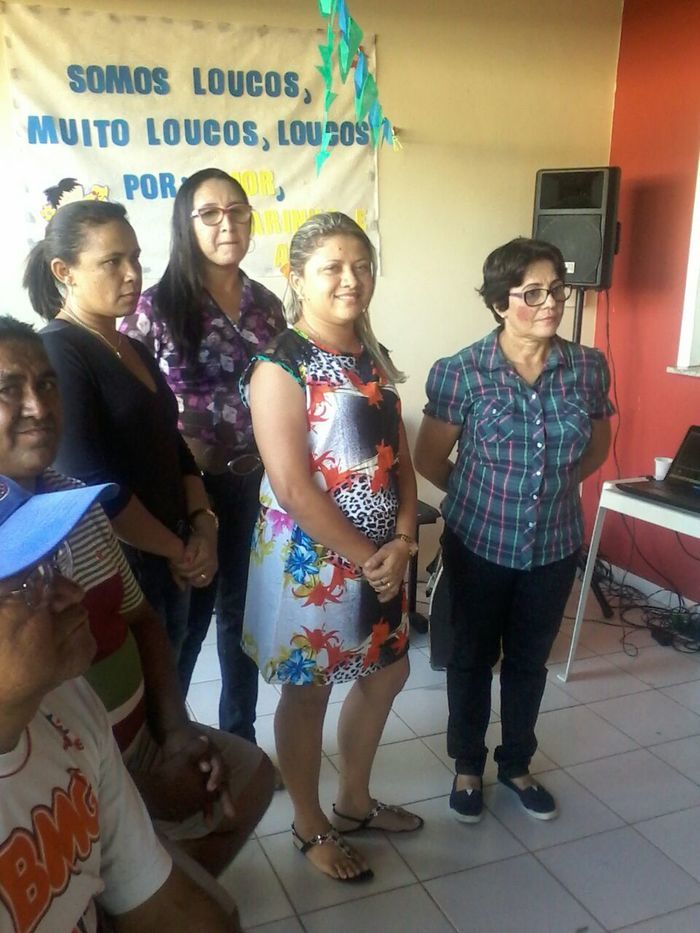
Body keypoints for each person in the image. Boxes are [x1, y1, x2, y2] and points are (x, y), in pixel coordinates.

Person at [0, 315, 273, 909]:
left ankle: (139, 886)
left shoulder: (75, 499)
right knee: (213, 909)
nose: (37, 406)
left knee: (252, 777)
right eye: (7, 390)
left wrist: (173, 732)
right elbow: (25, 738)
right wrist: (143, 793)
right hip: (71, 768)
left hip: (133, 739)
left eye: (46, 385)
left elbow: (142, 619)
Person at [242, 211, 423, 882]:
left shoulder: (370, 356)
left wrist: (404, 537)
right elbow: (293, 487)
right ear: (297, 279)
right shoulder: (279, 364)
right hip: (315, 561)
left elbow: (400, 459)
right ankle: (308, 821)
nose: (352, 279)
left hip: (382, 557)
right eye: (332, 268)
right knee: (309, 690)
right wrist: (371, 557)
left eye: (362, 266)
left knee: (388, 671)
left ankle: (353, 802)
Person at [414, 237, 614, 823]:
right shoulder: (462, 371)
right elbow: (429, 459)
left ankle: (517, 763)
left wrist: (549, 490)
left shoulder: (586, 367)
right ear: (501, 303)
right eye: (533, 293)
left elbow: (598, 446)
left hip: (553, 544)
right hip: (478, 543)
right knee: (471, 658)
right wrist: (487, 497)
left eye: (557, 290)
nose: (551, 303)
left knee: (529, 661)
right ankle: (467, 765)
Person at [0, 475, 238, 931]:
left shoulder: (68, 702)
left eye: (54, 563)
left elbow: (163, 905)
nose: (73, 592)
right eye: (31, 582)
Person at [121, 168, 286, 743]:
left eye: (237, 211)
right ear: (185, 225)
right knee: (185, 628)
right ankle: (171, 749)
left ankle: (240, 741)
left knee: (243, 622)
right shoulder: (155, 308)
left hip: (257, 486)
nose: (227, 224)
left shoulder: (267, 305)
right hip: (187, 492)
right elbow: (136, 409)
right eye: (210, 214)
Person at [23, 199, 217, 652]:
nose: (132, 274)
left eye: (135, 258)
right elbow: (91, 482)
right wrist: (178, 551)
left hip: (175, 551)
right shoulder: (57, 352)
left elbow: (174, 446)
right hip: (123, 564)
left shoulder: (133, 348)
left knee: (176, 681)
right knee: (144, 688)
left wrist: (203, 526)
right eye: (111, 262)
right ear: (65, 271)